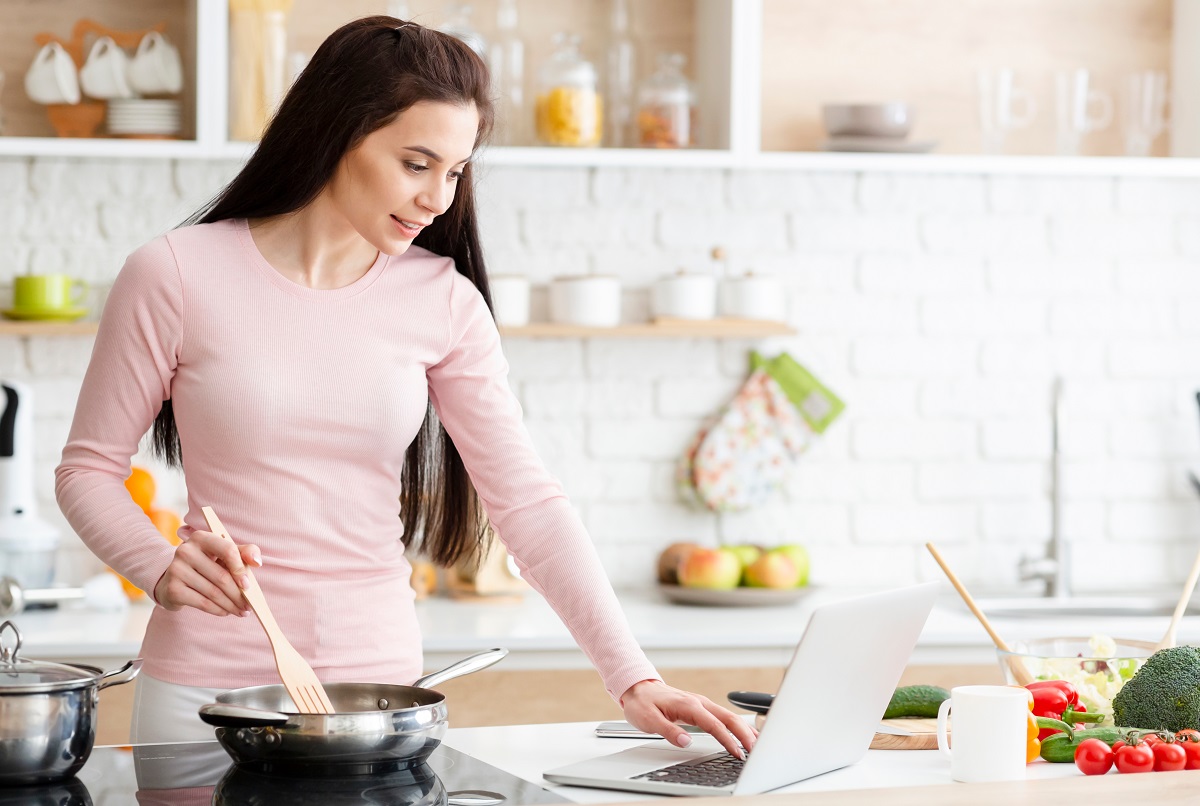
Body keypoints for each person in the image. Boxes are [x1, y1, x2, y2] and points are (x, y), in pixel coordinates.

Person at [55, 16, 756, 758]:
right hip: (204, 696)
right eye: (416, 163)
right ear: (336, 133)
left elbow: (526, 501)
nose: (439, 200)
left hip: (378, 694)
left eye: (455, 171)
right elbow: (88, 470)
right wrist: (157, 561)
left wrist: (633, 676)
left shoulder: (442, 299)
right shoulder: (174, 274)